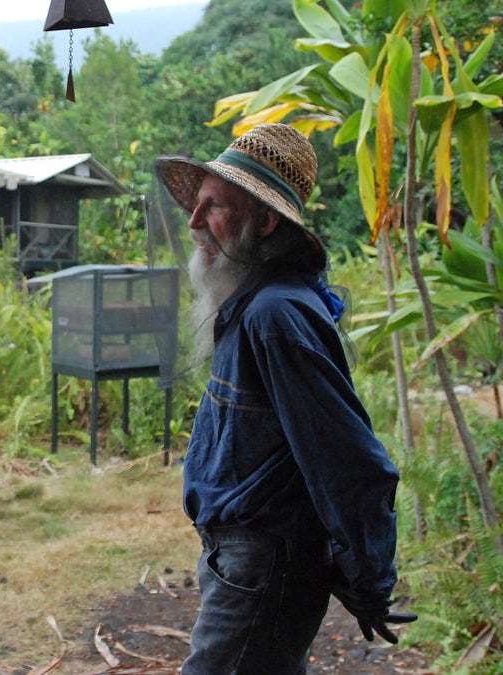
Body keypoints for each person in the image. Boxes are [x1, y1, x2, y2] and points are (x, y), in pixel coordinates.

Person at [153, 123, 416, 673]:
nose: (195, 222)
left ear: (265, 222)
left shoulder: (277, 314)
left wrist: (369, 578)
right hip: (244, 564)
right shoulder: (253, 305)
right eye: (195, 206)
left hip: (264, 568)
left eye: (214, 206)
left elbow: (347, 460)